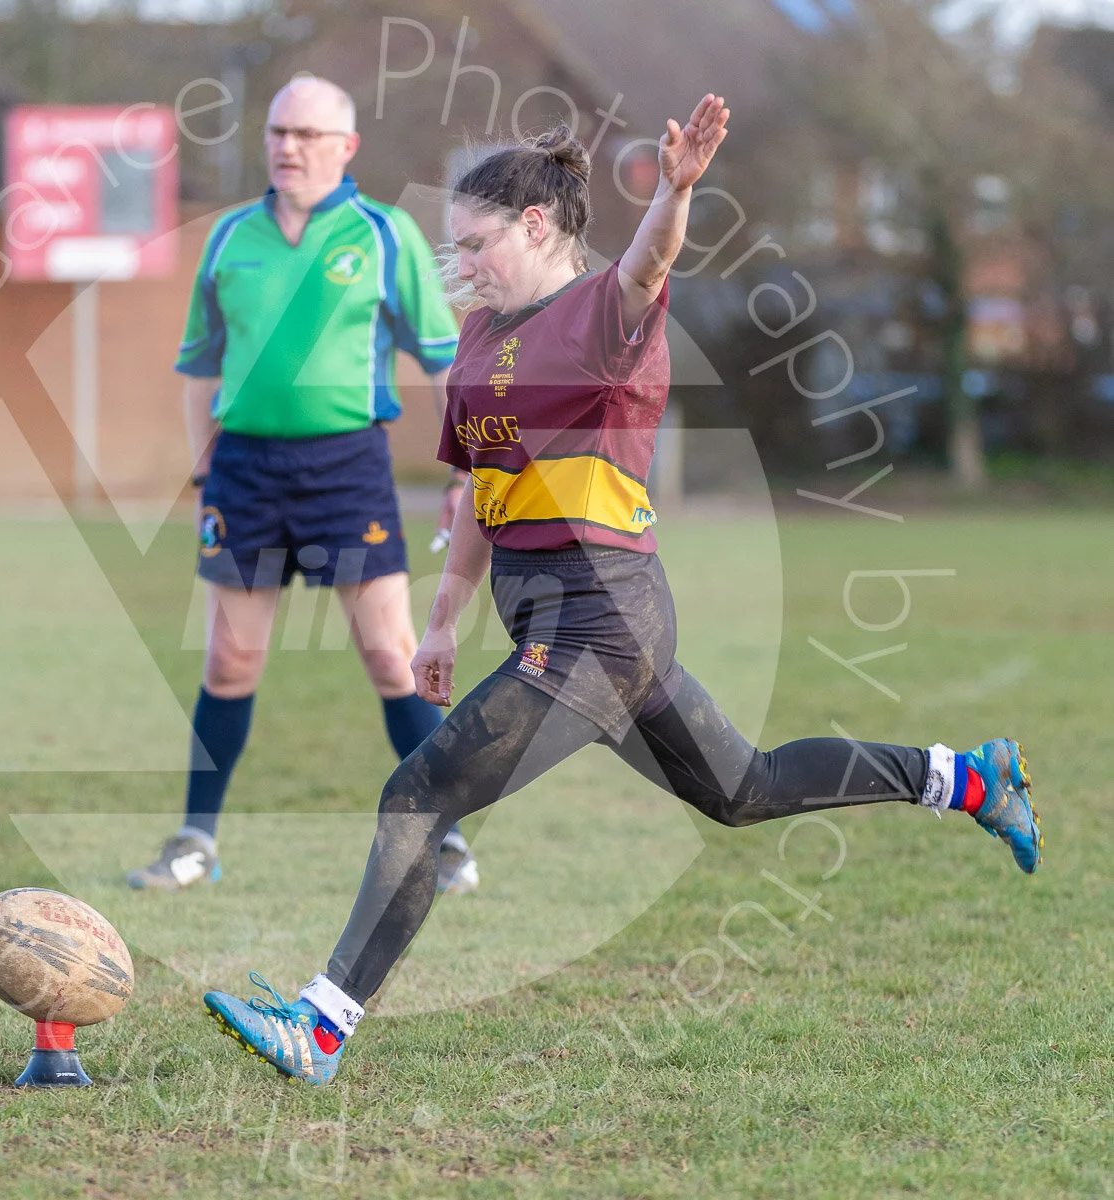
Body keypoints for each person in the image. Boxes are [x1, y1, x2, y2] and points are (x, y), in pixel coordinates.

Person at [200, 96, 1044, 1084]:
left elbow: (651, 260)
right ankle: (971, 778)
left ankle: (322, 1028)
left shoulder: (600, 312)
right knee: (747, 789)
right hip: (567, 625)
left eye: (476, 245)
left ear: (535, 226)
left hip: (601, 623)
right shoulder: (477, 340)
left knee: (418, 795)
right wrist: (439, 620)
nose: (462, 266)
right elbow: (476, 486)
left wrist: (678, 189)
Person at [127, 77, 480, 893]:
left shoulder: (384, 236)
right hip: (244, 472)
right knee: (229, 659)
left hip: (347, 469)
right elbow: (197, 370)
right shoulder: (228, 241)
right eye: (279, 131)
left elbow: (446, 364)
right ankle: (194, 843)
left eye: (307, 134)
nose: (288, 145)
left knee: (392, 658)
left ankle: (447, 839)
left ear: (345, 148)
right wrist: (205, 468)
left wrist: (464, 469)